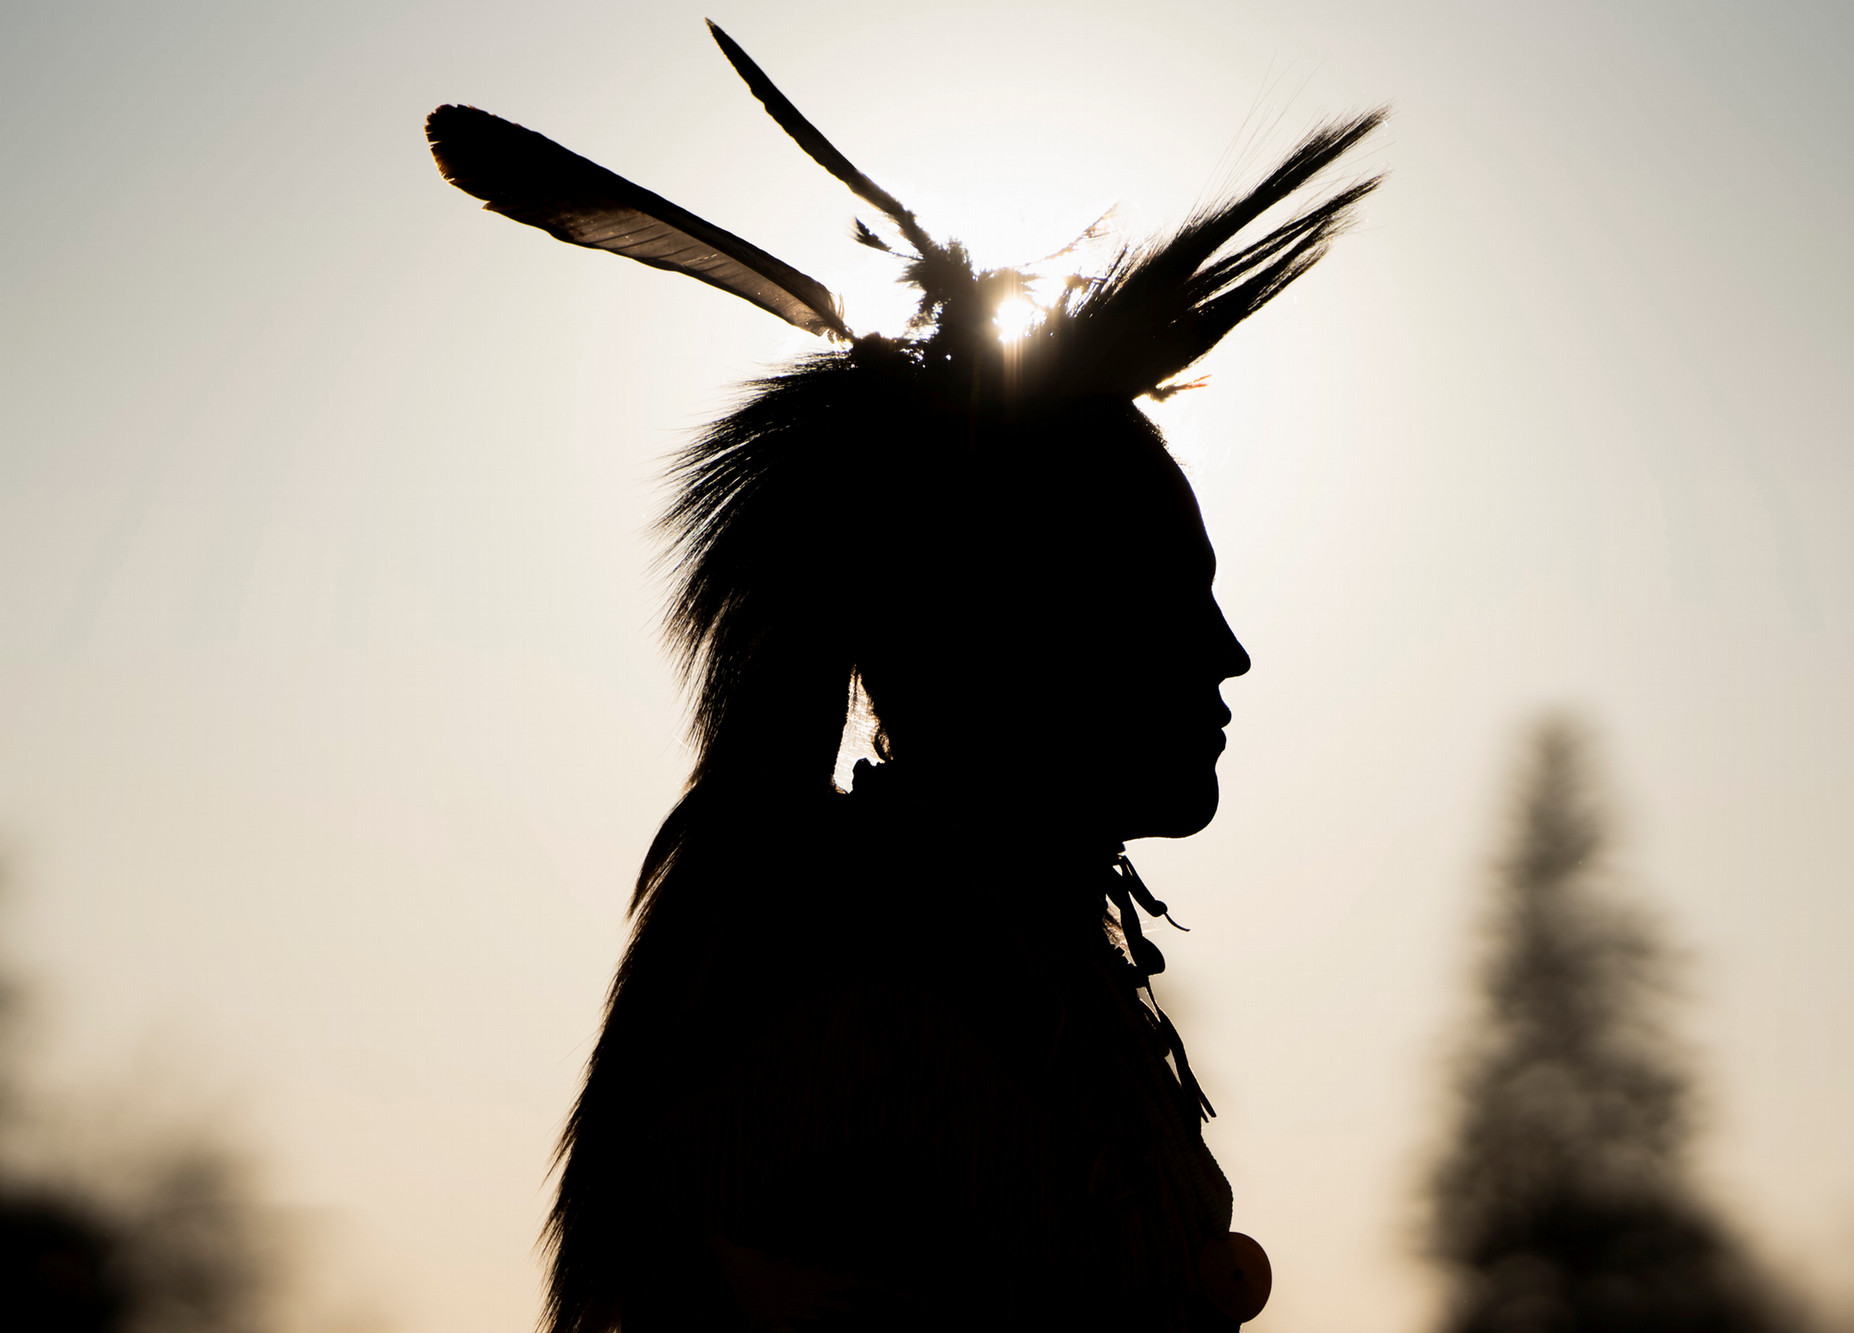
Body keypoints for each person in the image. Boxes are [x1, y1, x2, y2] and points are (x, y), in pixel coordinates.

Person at [428, 23, 1382, 1332]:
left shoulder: (1001, 977)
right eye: (1163, 597)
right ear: (1010, 631)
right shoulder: (872, 1023)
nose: (1226, 652)